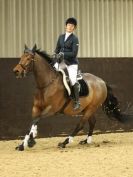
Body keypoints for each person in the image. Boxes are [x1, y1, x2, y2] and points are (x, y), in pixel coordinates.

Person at [54, 17, 80, 110]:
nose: (70, 27)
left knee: (73, 80)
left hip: (71, 63)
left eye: (72, 26)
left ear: (74, 28)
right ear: (66, 26)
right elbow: (57, 49)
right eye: (68, 25)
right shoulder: (61, 37)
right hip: (61, 62)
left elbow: (74, 53)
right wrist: (55, 55)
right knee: (52, 70)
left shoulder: (75, 39)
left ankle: (77, 101)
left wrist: (63, 54)